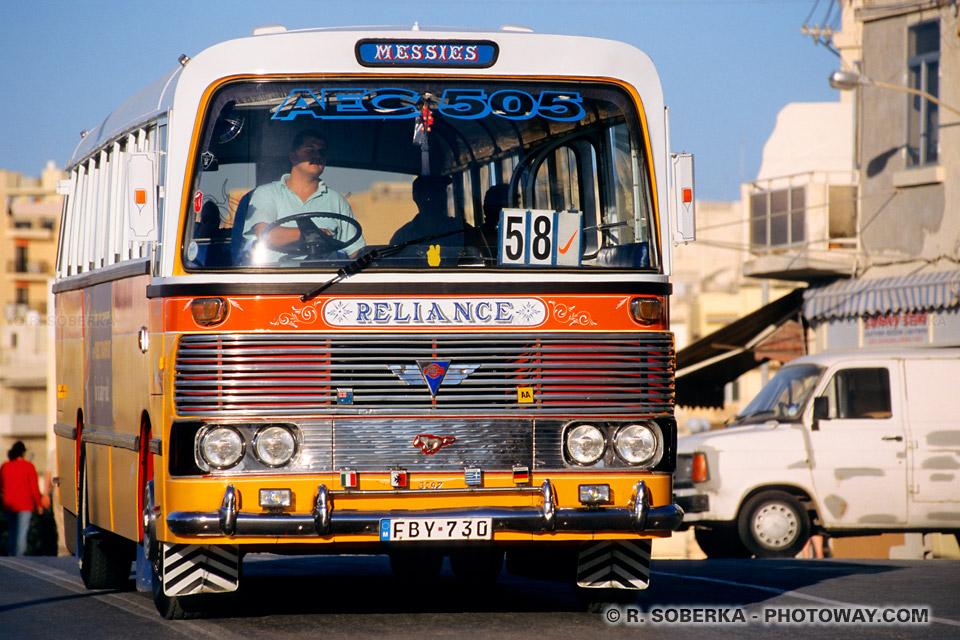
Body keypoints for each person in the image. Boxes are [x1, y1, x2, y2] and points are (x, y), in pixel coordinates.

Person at [243, 130, 364, 263]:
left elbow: (357, 252)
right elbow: (265, 235)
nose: (317, 156)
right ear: (293, 157)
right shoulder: (266, 193)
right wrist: (313, 234)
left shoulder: (337, 201)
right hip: (274, 279)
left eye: (322, 152)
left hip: (328, 279)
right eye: (310, 150)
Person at [390, 175, 462, 265]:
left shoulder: (460, 230)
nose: (442, 195)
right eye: (434, 191)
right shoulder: (402, 237)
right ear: (416, 197)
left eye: (444, 190)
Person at [1, 441, 44, 556]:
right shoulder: (29, 466)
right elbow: (34, 487)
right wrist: (39, 504)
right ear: (23, 453)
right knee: (22, 532)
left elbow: (1, 486)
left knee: (12, 530)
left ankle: (10, 554)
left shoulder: (5, 466)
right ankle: (19, 557)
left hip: (9, 504)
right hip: (25, 505)